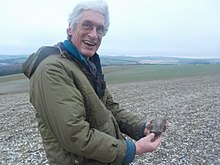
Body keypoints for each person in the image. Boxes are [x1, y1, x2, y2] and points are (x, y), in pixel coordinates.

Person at [22, 0, 166, 164]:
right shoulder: (52, 71)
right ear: (70, 28)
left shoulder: (85, 65)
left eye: (100, 29)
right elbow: (75, 135)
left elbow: (108, 107)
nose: (94, 34)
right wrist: (132, 149)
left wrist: (141, 129)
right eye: (87, 25)